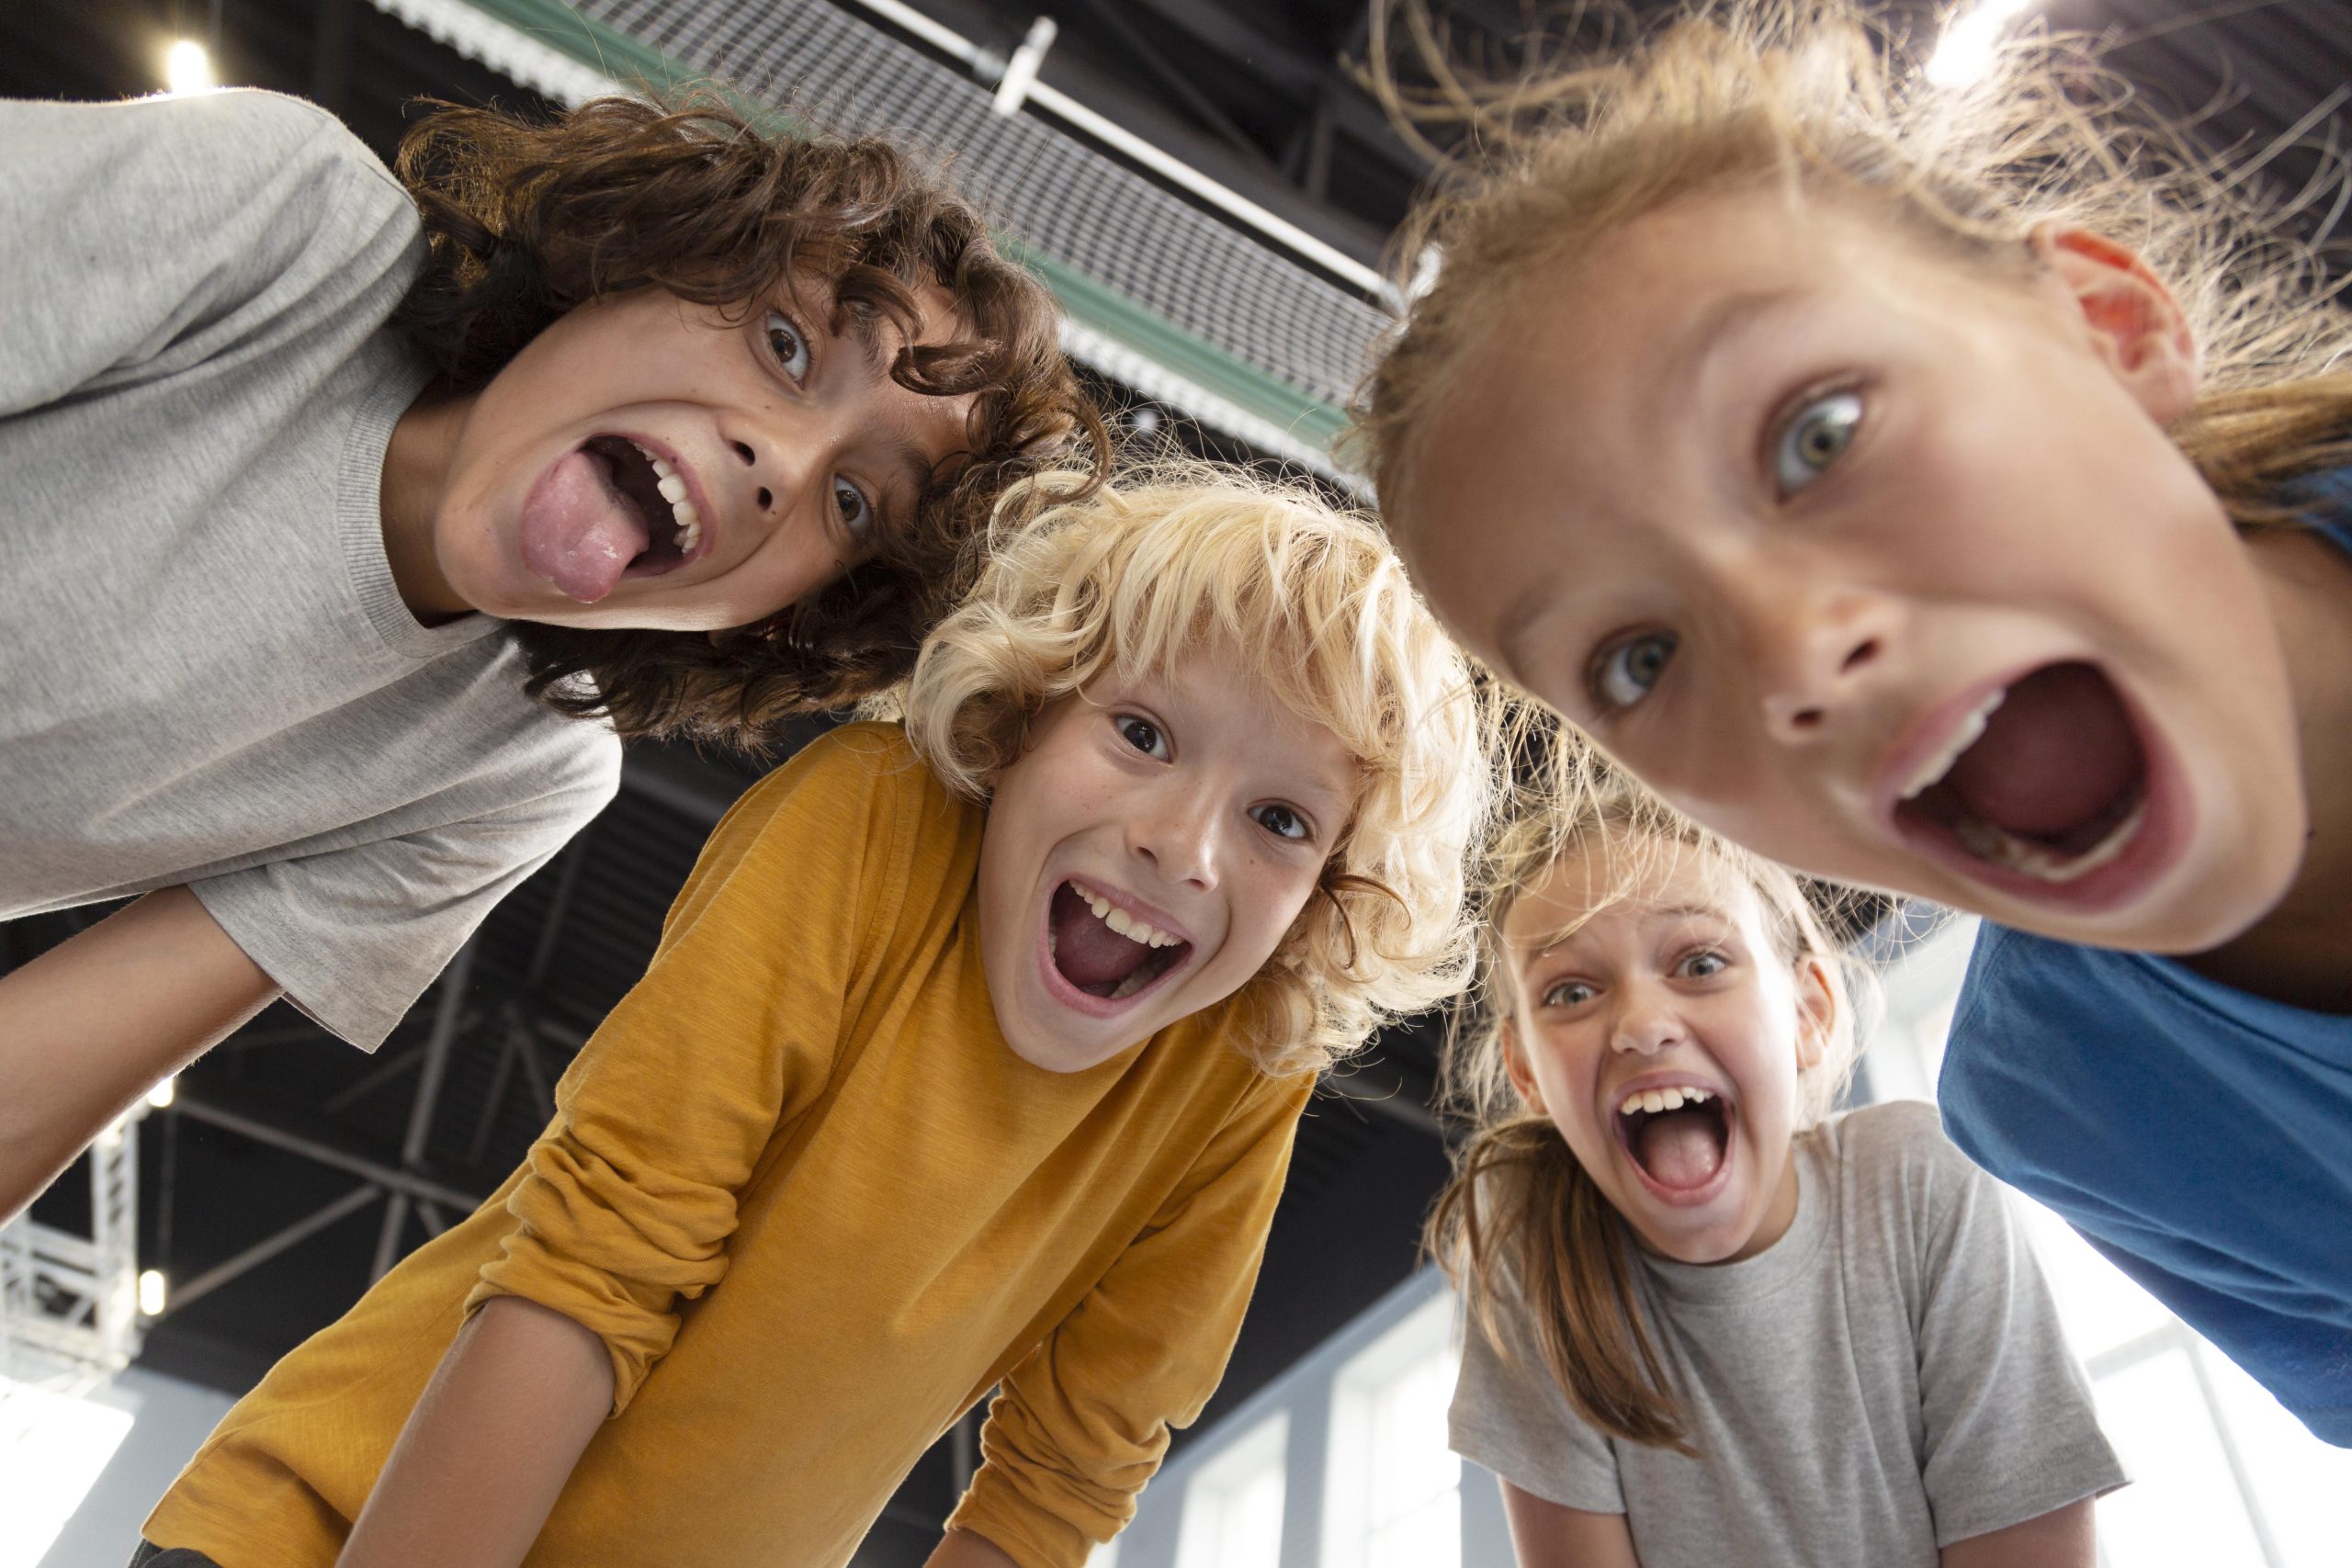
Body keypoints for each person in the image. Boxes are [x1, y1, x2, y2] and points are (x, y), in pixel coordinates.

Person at [134, 466, 1499, 1568]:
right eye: (1143, 732)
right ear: (1027, 710)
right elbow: (603, 1256)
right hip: (330, 1525)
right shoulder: (869, 820)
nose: (1184, 848)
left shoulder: (1238, 1064)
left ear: (1329, 890)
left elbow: (1062, 1481)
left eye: (1280, 819)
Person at [1351, 0, 2352, 1440]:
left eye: (1819, 435)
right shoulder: (2059, 1100)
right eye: (1639, 658)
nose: (1792, 656)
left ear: (2107, 328)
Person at [0, 85, 1096, 1225]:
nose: (782, 460)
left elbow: (27, 1090)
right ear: (639, 260)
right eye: (785, 343)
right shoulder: (282, 217)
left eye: (854, 503)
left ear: (776, 615)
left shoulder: (516, 782)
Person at [1432, 766, 2124, 1567]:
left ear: (1809, 1011)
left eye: (1698, 963)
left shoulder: (1917, 1181)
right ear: (1527, 1074)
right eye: (1571, 990)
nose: (1641, 1024)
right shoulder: (1537, 1272)